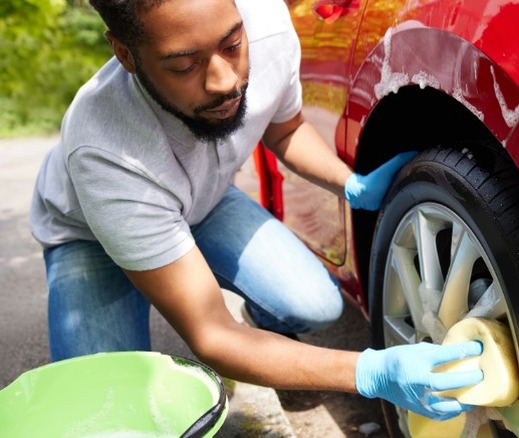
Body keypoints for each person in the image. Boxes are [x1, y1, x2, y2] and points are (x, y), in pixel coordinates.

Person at [28, 0, 483, 422]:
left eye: (231, 45)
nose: (225, 81)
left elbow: (283, 131)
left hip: (204, 203)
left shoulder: (267, 27)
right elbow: (212, 335)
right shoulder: (105, 151)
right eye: (185, 65)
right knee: (108, 411)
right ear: (125, 56)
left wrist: (350, 183)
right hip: (87, 237)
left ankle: (260, 326)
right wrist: (369, 372)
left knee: (319, 307)